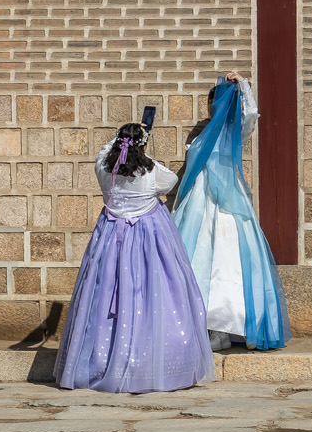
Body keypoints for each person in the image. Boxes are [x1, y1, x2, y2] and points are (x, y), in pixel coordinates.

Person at [54, 115, 214, 394]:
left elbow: (104, 152)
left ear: (118, 142)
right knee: (151, 293)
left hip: (110, 239)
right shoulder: (152, 170)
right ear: (142, 145)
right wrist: (144, 147)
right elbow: (171, 181)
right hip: (148, 239)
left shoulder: (104, 168)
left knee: (104, 292)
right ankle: (150, 365)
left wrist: (122, 138)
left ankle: (100, 362)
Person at [173, 72, 289, 351]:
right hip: (198, 203)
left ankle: (229, 326)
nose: (215, 109)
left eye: (219, 104)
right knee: (198, 260)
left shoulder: (233, 133)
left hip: (227, 206)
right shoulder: (201, 137)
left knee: (227, 262)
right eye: (212, 104)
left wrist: (244, 87)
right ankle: (204, 324)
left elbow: (252, 116)